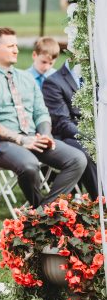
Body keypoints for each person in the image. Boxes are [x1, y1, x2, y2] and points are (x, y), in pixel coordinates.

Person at [0, 27, 86, 207]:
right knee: (29, 164)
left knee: (77, 159)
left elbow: (41, 112)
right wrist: (21, 139)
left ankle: (42, 213)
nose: (16, 50)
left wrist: (45, 134)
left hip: (34, 138)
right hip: (0, 143)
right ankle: (40, 215)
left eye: (16, 45)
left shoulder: (26, 78)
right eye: (11, 46)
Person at [42, 54, 98, 198]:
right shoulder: (53, 82)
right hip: (67, 137)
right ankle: (102, 203)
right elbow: (63, 123)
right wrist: (92, 138)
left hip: (95, 132)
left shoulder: (96, 77)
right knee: (89, 151)